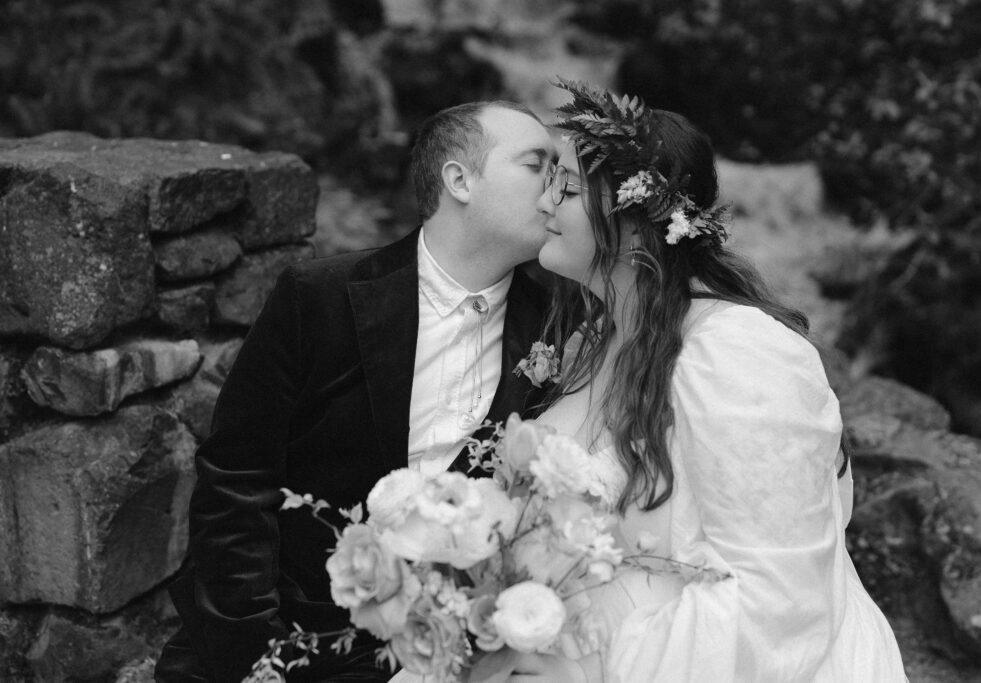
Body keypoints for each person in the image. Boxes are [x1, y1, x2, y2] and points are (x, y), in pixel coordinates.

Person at [502, 81, 908, 682]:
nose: (543, 204)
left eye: (564, 186)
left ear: (634, 224)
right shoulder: (595, 342)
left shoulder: (740, 353)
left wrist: (585, 668)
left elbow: (778, 602)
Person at [155, 100, 556, 683]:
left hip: (455, 651)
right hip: (291, 633)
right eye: (536, 164)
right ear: (460, 179)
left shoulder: (560, 331)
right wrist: (260, 657)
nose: (558, 187)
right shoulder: (319, 298)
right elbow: (236, 485)